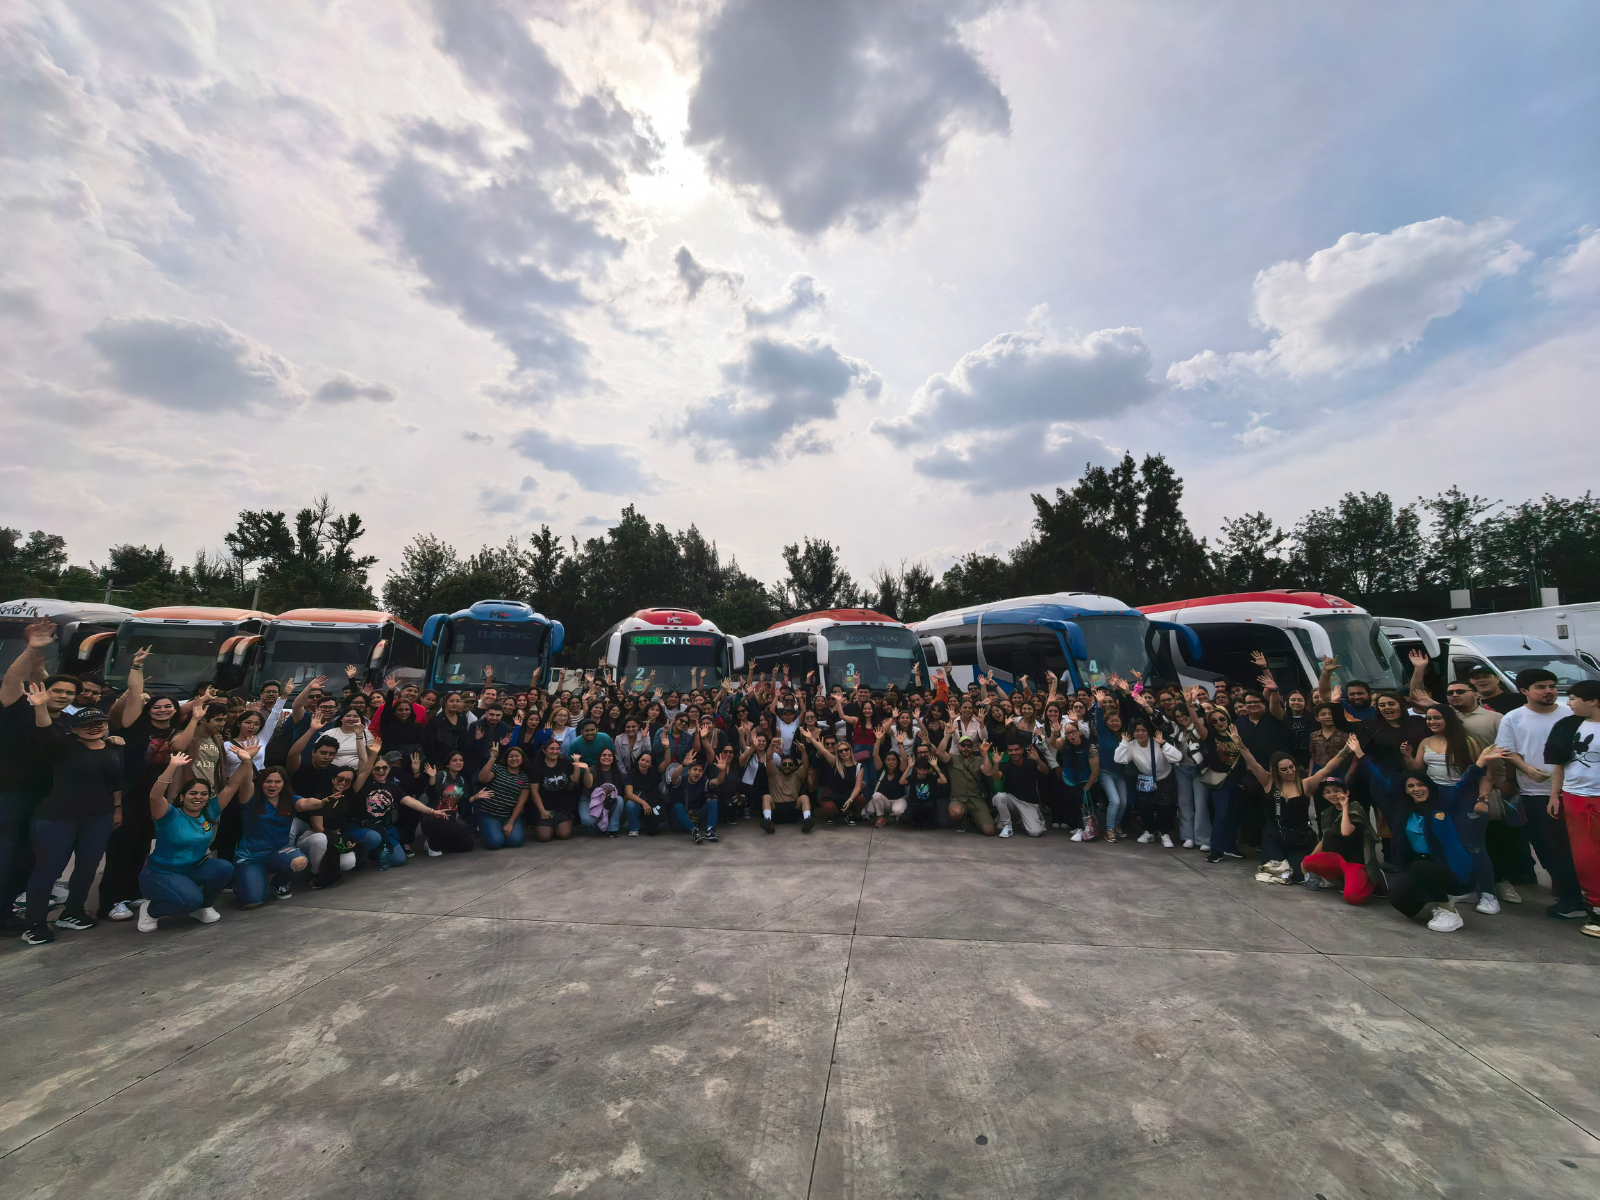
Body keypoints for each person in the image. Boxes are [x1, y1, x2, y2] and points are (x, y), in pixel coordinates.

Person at [18, 701, 123, 944]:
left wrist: (117, 809)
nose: (94, 727)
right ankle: (35, 924)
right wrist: (40, 706)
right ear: (73, 729)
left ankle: (73, 912)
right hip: (56, 817)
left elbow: (117, 782)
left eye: (99, 723)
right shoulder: (62, 747)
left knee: (88, 866)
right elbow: (45, 729)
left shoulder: (114, 748)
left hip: (99, 817)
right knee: (48, 870)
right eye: (86, 724)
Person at [1379, 745, 1505, 932]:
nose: (1416, 789)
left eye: (1420, 785)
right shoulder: (1404, 814)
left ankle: (1449, 912)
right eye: (1411, 786)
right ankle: (1435, 901)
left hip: (1455, 872)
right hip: (1424, 868)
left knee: (1420, 867)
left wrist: (1479, 764)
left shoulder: (1443, 806)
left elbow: (1461, 786)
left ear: (1428, 786)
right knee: (1399, 901)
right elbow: (1379, 780)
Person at [1495, 669, 1587, 919]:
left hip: (1574, 791)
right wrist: (1525, 768)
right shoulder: (1513, 718)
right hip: (1534, 792)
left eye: (1552, 686)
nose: (1549, 691)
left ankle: (1579, 897)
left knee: (1577, 846)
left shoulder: (1572, 713)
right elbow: (1505, 750)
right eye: (1541, 687)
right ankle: (1570, 895)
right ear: (1524, 691)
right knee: (1548, 847)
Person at [135, 748, 255, 932]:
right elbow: (155, 796)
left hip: (192, 869)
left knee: (224, 868)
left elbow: (232, 786)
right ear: (182, 797)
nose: (198, 797)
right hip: (161, 874)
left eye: (203, 794)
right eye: (193, 793)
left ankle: (203, 907)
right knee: (190, 899)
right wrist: (172, 766)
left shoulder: (209, 811)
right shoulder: (168, 815)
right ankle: (151, 910)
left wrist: (246, 761)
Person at [1232, 733, 1350, 884]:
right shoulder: (1268, 781)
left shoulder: (1305, 784)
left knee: (1298, 874)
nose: (1290, 772)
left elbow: (1327, 769)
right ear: (1276, 771)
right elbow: (1254, 764)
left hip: (1299, 838)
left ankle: (1294, 864)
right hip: (1275, 835)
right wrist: (1240, 744)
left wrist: (1346, 750)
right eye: (1284, 769)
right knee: (1274, 870)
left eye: (1291, 767)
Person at [1542, 679, 1600, 937]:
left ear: (1593, 701)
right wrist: (1555, 795)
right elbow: (1560, 764)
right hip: (1573, 797)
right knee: (1584, 857)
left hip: (1597, 798)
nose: (1570, 703)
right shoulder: (1568, 725)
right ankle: (1595, 907)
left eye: (1575, 698)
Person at [233, 764, 309, 908]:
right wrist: (247, 761)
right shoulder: (250, 799)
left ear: (284, 784)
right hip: (250, 857)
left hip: (277, 853)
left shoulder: (290, 800)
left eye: (277, 781)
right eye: (268, 781)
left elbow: (306, 803)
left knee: (299, 861)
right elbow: (246, 783)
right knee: (252, 902)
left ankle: (279, 883)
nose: (272, 785)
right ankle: (244, 883)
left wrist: (322, 802)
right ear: (261, 783)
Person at [1300, 776, 1378, 904]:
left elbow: (1346, 832)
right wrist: (1308, 860)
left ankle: (1369, 881)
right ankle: (1341, 879)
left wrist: (1345, 807)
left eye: (1336, 790)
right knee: (1307, 862)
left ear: (1346, 792)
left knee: (1353, 897)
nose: (1332, 794)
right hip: (1337, 859)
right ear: (1324, 796)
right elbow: (1325, 838)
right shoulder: (1328, 812)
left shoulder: (1355, 807)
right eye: (1327, 792)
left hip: (1354, 861)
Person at [1112, 720, 1183, 848]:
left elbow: (1177, 757)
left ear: (1148, 731)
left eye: (1143, 730)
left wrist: (1163, 744)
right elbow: (1119, 759)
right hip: (1146, 779)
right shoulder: (1131, 745)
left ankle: (1164, 833)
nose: (1140, 733)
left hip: (1164, 777)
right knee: (1145, 806)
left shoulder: (1157, 742)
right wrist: (1124, 743)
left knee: (1165, 807)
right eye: (1137, 730)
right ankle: (1148, 831)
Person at [395, 751, 475, 854]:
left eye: (461, 760)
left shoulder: (461, 780)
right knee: (457, 830)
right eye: (455, 760)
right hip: (433, 818)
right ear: (448, 764)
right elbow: (432, 794)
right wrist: (432, 777)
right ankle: (431, 844)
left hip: (450, 819)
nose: (458, 762)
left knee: (467, 845)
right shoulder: (441, 775)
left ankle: (439, 843)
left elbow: (464, 800)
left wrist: (476, 797)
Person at [982, 738, 1046, 838]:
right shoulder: (1006, 765)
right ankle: (1007, 826)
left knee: (1035, 832)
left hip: (1029, 803)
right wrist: (996, 764)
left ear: (1022, 750)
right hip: (1012, 801)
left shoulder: (1031, 763)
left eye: (1016, 749)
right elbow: (996, 777)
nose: (1014, 752)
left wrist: (1038, 760)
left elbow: (1045, 771)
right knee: (999, 797)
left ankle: (1025, 819)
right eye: (1010, 750)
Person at [475, 742, 531, 849]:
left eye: (517, 756)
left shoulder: (524, 777)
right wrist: (492, 758)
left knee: (515, 841)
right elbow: (482, 779)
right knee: (495, 843)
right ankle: (493, 830)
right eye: (511, 756)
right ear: (506, 759)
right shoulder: (498, 769)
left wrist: (510, 823)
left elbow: (521, 802)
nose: (514, 759)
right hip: (489, 814)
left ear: (522, 759)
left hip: (509, 815)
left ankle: (500, 830)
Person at [531, 740, 585, 842]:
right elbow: (534, 792)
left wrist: (577, 762)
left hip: (562, 808)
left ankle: (555, 827)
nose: (555, 751)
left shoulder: (565, 763)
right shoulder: (536, 767)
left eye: (557, 749)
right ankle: (540, 827)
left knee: (564, 835)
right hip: (545, 807)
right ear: (544, 751)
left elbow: (575, 780)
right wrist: (542, 811)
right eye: (552, 749)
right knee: (544, 837)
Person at [762, 743, 812, 833]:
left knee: (804, 797)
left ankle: (807, 821)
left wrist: (803, 751)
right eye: (785, 764)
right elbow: (768, 759)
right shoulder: (773, 774)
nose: (787, 767)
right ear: (780, 765)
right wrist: (771, 745)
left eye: (790, 764)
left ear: (794, 766)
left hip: (793, 811)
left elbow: (805, 765)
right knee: (766, 797)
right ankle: (768, 821)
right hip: (776, 811)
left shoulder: (797, 776)